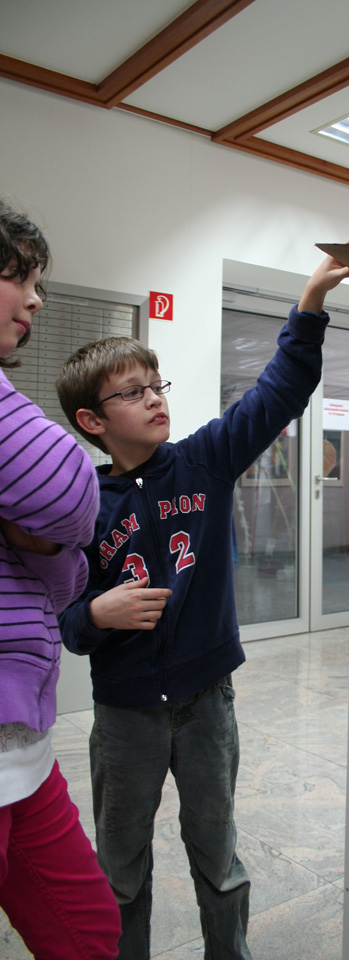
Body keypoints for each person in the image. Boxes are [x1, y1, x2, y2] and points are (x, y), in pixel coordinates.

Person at [55, 241, 349, 960]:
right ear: (91, 420)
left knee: (218, 858)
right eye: (132, 391)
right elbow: (64, 619)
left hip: (206, 703)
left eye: (156, 383)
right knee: (120, 870)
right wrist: (97, 615)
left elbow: (280, 391)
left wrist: (310, 304)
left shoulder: (204, 460)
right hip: (124, 714)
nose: (155, 397)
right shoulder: (78, 504)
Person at [0, 199, 121, 958]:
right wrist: (67, 558)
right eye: (18, 276)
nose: (36, 299)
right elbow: (64, 497)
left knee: (87, 931)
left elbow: (59, 554)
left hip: (21, 747)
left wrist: (54, 556)